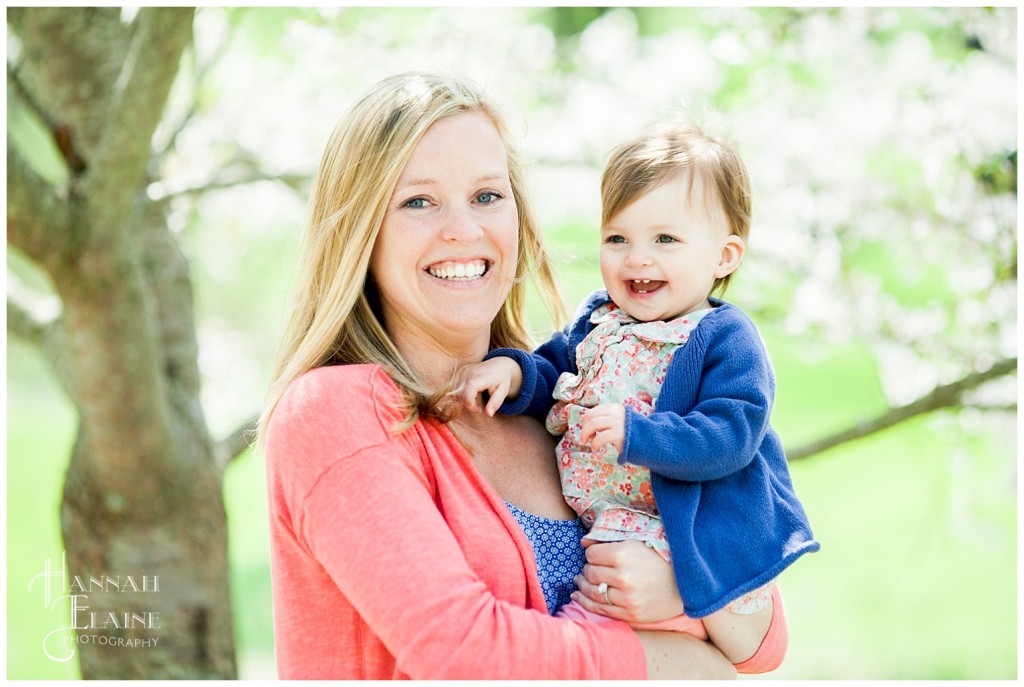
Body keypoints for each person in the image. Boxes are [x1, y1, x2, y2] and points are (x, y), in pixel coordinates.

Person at [257, 72, 781, 679]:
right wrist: (691, 665)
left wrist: (675, 586)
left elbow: (764, 635)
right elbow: (466, 654)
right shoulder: (334, 412)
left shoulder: (560, 398)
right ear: (361, 234)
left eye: (487, 196)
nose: (463, 229)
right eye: (418, 201)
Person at [454, 121, 819, 666]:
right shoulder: (600, 320)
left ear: (724, 256)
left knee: (590, 614)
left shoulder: (720, 338)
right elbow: (556, 369)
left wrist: (639, 433)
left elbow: (732, 434)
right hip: (611, 521)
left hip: (681, 527)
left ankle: (655, 628)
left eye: (665, 240)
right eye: (617, 238)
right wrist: (514, 374)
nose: (637, 258)